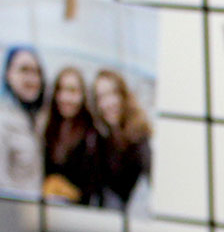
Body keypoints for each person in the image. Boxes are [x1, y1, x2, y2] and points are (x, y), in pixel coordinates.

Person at [41, 66, 104, 205]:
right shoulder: (48, 128)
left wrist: (63, 189)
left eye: (72, 91)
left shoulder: (92, 136)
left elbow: (93, 189)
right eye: (61, 90)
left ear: (83, 95)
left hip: (74, 215)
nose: (65, 98)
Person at [92, 68, 152, 210]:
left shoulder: (139, 139)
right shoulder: (103, 136)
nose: (108, 103)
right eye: (101, 97)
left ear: (123, 95)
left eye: (112, 94)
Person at [0, 45, 44, 195]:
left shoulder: (33, 120)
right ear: (8, 74)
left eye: (36, 72)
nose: (32, 79)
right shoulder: (3, 120)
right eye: (24, 70)